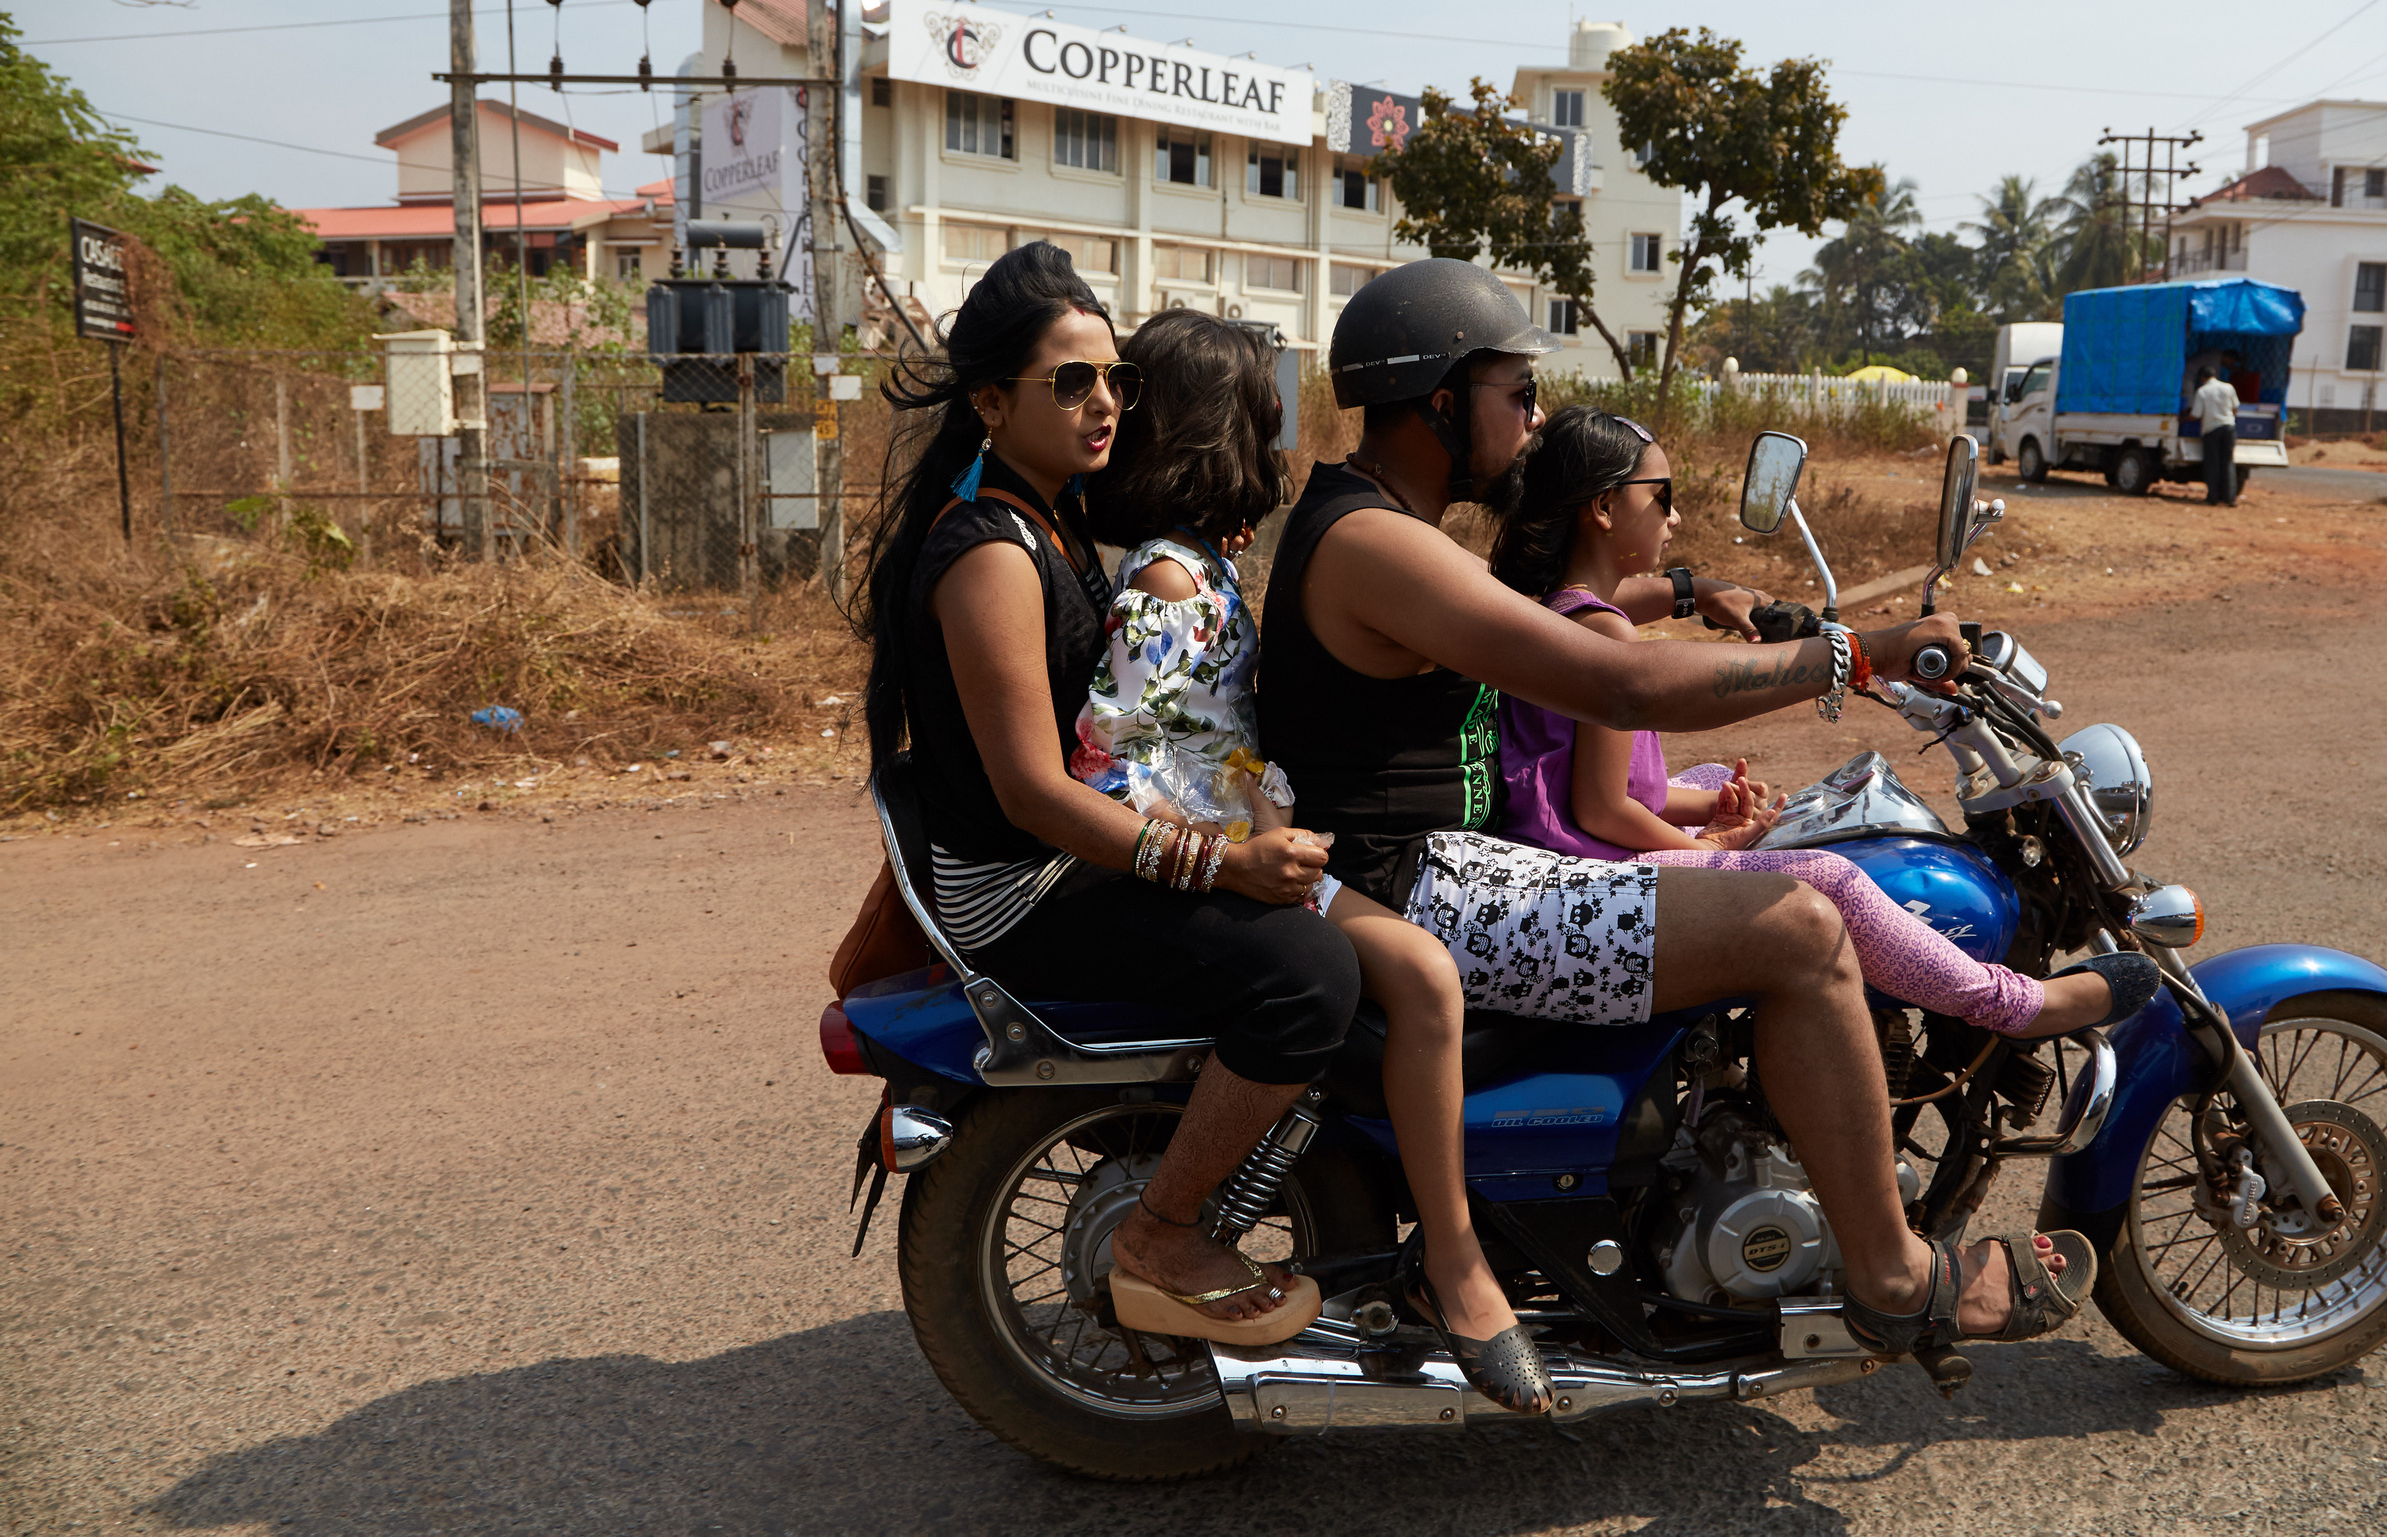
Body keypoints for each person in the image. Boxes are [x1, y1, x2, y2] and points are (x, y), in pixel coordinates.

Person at [1258, 259, 2097, 1370]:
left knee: (1793, 886)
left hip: (1445, 872)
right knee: (1801, 924)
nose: (1534, 416)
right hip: (1425, 890)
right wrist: (1857, 651)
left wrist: (1695, 585)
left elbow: (1542, 615)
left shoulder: (1377, 523)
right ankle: (1893, 1277)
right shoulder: (1376, 541)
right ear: (1441, 401)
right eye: (1518, 391)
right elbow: (1617, 685)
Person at [854, 243, 1349, 1348]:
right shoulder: (990, 551)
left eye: (1115, 378)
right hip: (1022, 892)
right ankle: (1164, 1233)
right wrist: (1224, 862)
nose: (1104, 402)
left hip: (1064, 862)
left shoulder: (1055, 520)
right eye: (1069, 381)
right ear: (989, 401)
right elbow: (1033, 792)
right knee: (1309, 974)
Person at [1074, 309, 1550, 1413]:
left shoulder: (1202, 567)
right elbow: (1132, 754)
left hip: (1246, 831)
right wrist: (1237, 849)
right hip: (1213, 855)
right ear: (1215, 434)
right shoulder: (1168, 587)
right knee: (1424, 975)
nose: (1285, 446)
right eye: (1264, 419)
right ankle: (1453, 1263)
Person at [1488, 405, 2159, 1038]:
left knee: (1728, 781)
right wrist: (1709, 851)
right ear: (1603, 508)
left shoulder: (1559, 610)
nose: (1676, 514)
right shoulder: (1602, 629)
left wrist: (1709, 803)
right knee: (1830, 878)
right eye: (1661, 496)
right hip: (1589, 872)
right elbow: (1601, 810)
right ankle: (2009, 1003)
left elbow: (1610, 790)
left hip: (1568, 848)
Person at [2195, 356, 2240, 506]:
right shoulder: (2229, 387)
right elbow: (2235, 408)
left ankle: (2213, 497)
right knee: (2227, 463)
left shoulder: (2202, 391)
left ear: (2202, 378)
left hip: (2211, 430)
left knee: (2212, 464)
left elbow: (2196, 414)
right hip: (2229, 428)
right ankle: (2230, 498)